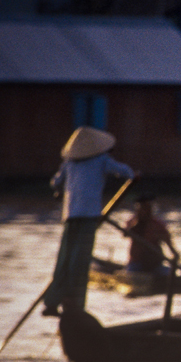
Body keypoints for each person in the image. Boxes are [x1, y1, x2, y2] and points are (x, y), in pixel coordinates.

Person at [42, 127, 135, 316]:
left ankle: (52, 302)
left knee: (64, 259)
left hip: (70, 216)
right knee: (80, 261)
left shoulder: (69, 163)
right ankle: (74, 305)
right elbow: (125, 172)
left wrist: (61, 189)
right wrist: (134, 175)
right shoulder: (102, 160)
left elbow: (55, 182)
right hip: (88, 216)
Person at [124, 194, 177, 276]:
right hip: (136, 264)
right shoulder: (132, 223)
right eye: (142, 208)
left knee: (167, 273)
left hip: (154, 265)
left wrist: (175, 258)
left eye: (147, 208)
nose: (145, 211)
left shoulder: (158, 225)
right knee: (131, 273)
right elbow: (125, 234)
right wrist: (137, 221)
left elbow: (171, 247)